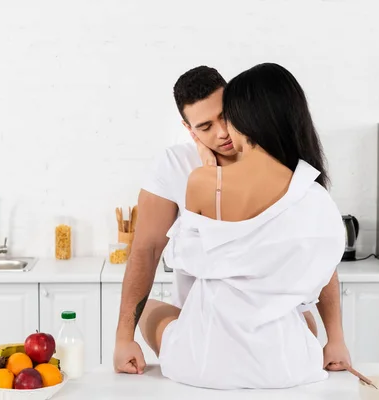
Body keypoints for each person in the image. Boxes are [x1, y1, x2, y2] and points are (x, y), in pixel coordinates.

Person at [113, 65, 351, 376]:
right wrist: (123, 338)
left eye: (225, 116)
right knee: (157, 313)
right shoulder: (175, 165)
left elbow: (316, 256)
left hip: (270, 319)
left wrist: (336, 338)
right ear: (189, 130)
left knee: (303, 322)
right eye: (205, 126)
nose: (222, 132)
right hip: (205, 319)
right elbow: (146, 249)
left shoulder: (276, 164)